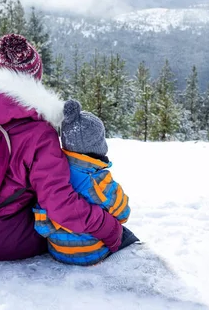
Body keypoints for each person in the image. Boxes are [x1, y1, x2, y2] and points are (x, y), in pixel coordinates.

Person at [0, 33, 123, 261]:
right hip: (1, 240)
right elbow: (60, 203)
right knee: (67, 229)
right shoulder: (38, 133)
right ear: (35, 77)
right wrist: (110, 228)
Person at [33, 99, 139, 266]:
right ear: (98, 145)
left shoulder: (54, 176)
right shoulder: (98, 180)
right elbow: (123, 213)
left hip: (57, 251)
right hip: (91, 253)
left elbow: (42, 223)